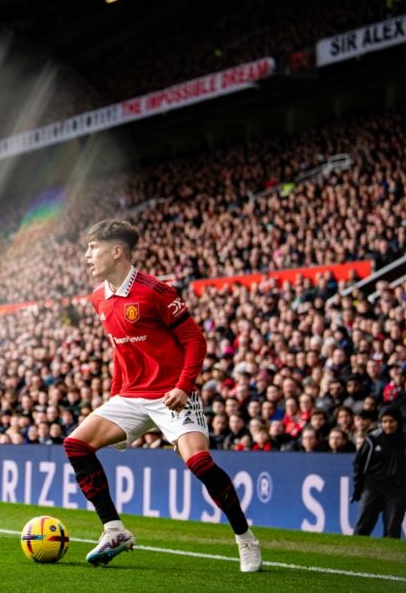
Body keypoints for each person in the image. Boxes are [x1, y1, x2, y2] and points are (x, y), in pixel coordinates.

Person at [63, 220, 261, 571]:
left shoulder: (155, 291)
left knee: (199, 464)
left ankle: (245, 539)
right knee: (76, 445)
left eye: (93, 248)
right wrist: (113, 400)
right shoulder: (98, 298)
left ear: (116, 251)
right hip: (131, 396)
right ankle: (114, 530)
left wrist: (184, 386)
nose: (87, 255)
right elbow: (120, 352)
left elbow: (195, 340)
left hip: (172, 395)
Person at [352, 405, 406, 538]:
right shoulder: (372, 439)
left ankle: (388, 557)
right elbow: (359, 463)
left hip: (398, 491)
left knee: (392, 531)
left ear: (398, 421)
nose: (388, 425)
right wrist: (358, 487)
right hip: (373, 488)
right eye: (384, 422)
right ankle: (355, 557)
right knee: (362, 528)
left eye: (391, 421)